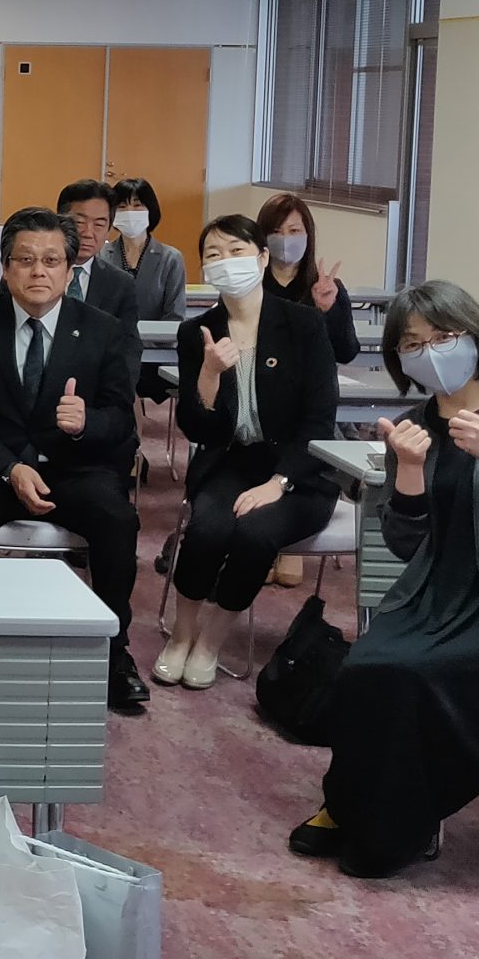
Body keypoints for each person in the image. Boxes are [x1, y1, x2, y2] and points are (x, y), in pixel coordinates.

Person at [293, 281, 479, 880]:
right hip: (436, 597)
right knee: (363, 668)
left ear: (476, 338)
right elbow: (406, 546)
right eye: (412, 344)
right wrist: (407, 470)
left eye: (444, 337)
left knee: (409, 675)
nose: (429, 352)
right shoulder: (413, 427)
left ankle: (397, 823)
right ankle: (347, 802)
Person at [0, 207, 148, 715]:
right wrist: (9, 467)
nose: (38, 272)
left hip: (75, 469)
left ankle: (114, 653)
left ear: (70, 271)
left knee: (118, 518)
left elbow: (122, 419)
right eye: (25, 259)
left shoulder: (103, 330)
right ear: (5, 267)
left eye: (51, 261)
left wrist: (87, 422)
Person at [155, 215, 340, 690]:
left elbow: (320, 420)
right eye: (213, 255)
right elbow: (196, 427)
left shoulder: (302, 324)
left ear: (260, 258)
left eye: (236, 251)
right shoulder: (197, 331)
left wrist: (280, 482)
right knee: (208, 527)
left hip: (298, 472)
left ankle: (211, 641)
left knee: (256, 534)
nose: (226, 262)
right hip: (230, 462)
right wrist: (209, 374)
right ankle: (181, 633)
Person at [101, 175, 189, 404]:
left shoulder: (171, 258)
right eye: (122, 206)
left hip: (156, 354)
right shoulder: (101, 256)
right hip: (110, 354)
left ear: (151, 209)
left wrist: (140, 345)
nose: (130, 212)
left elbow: (175, 315)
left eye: (137, 205)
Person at [257, 192, 361, 366]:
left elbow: (346, 353)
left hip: (313, 379)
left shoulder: (327, 288)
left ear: (308, 234)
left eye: (294, 231)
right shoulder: (250, 286)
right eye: (276, 231)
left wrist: (328, 309)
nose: (285, 238)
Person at [55, 178, 140, 328]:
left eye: (99, 224)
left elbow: (128, 339)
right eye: (79, 223)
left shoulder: (120, 284)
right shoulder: (36, 272)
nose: (88, 233)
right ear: (59, 223)